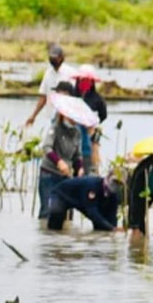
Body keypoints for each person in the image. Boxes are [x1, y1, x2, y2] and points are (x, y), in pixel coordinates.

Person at [38, 90, 84, 219]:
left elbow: (77, 155)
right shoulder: (55, 128)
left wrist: (79, 168)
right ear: (64, 115)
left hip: (65, 175)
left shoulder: (77, 133)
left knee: (64, 212)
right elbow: (47, 147)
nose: (73, 120)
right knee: (47, 211)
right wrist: (59, 162)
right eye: (71, 116)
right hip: (49, 173)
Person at [46, 174, 122, 232]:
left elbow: (112, 215)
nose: (115, 185)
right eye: (114, 181)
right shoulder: (93, 186)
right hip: (61, 195)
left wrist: (113, 229)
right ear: (108, 179)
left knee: (102, 228)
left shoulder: (113, 195)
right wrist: (111, 228)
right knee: (55, 227)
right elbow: (92, 212)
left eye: (119, 183)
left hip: (81, 201)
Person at [26, 43, 75, 129]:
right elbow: (43, 97)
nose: (52, 59)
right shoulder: (48, 74)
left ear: (61, 57)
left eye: (55, 57)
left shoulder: (71, 73)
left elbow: (75, 96)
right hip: (53, 115)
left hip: (68, 117)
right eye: (51, 57)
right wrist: (33, 116)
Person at [74, 65, 108, 175]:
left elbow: (103, 115)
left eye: (87, 81)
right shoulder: (73, 97)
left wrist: (93, 124)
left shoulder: (97, 99)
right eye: (82, 80)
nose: (84, 83)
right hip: (74, 134)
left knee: (90, 162)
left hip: (90, 134)